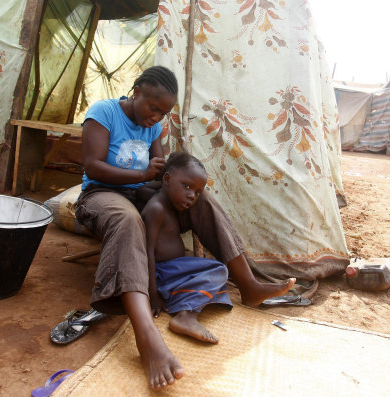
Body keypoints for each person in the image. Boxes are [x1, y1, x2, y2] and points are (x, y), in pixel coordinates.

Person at [75, 65, 295, 390]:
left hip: (139, 192)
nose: (156, 117)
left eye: (163, 112)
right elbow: (93, 165)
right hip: (101, 194)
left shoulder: (154, 128)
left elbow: (161, 175)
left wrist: (178, 188)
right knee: (128, 219)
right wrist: (142, 175)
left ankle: (248, 284)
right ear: (136, 91)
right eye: (153, 107)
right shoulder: (103, 112)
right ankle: (147, 337)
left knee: (200, 198)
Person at [141, 152, 231, 344]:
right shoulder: (156, 208)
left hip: (172, 269)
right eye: (187, 186)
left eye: (198, 192)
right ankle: (186, 316)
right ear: (166, 179)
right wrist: (153, 294)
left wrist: (170, 187)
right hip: (163, 273)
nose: (192, 196)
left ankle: (183, 308)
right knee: (218, 270)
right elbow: (146, 251)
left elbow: (145, 189)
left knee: (216, 276)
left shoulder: (167, 200)